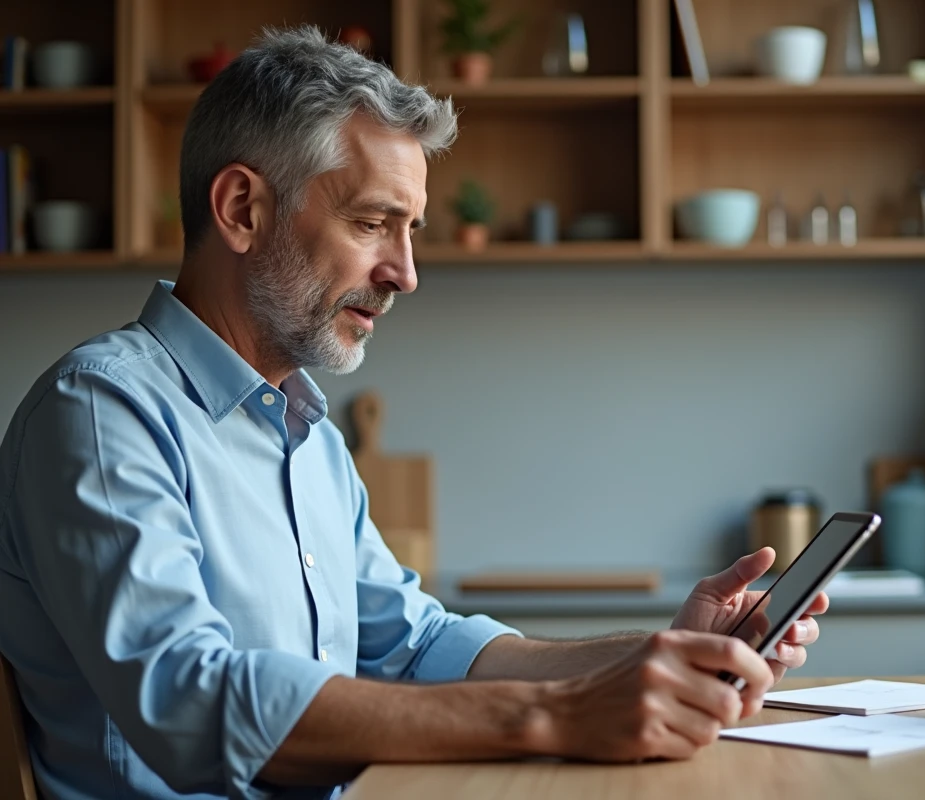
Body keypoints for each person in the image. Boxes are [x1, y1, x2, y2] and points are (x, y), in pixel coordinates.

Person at [0, 26, 828, 800]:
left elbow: (417, 647)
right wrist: (558, 715)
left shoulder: (307, 435)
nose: (405, 272)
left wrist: (663, 655)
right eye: (372, 223)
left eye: (411, 231)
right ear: (243, 209)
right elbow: (188, 695)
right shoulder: (104, 410)